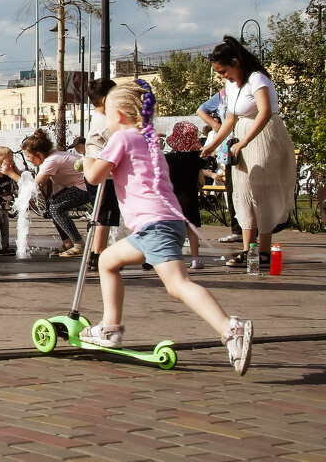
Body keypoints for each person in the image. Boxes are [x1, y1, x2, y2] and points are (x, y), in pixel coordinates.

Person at [82, 80, 253, 376]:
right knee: (108, 260)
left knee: (177, 285)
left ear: (119, 115)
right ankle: (109, 328)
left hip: (154, 226)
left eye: (107, 115)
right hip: (164, 224)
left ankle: (230, 328)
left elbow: (95, 177)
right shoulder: (148, 140)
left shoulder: (121, 139)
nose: (107, 121)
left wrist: (85, 155)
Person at [201, 36, 297, 270]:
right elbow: (230, 118)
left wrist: (244, 141)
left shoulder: (257, 79)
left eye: (224, 71)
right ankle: (248, 249)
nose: (223, 76)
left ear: (236, 62)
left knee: (261, 190)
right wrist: (213, 145)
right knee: (242, 192)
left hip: (264, 137)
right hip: (241, 138)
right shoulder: (231, 86)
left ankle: (263, 250)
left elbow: (264, 113)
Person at [17, 129, 88, 258]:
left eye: (28, 156)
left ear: (39, 154)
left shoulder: (51, 160)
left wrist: (11, 173)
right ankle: (68, 242)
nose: (28, 160)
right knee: (53, 206)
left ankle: (79, 244)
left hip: (88, 187)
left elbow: (34, 187)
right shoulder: (52, 157)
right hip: (81, 185)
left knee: (55, 208)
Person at [84, 79, 121, 272]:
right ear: (106, 100)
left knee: (100, 215)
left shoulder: (97, 119)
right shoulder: (106, 124)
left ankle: (94, 252)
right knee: (104, 217)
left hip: (97, 174)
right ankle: (98, 254)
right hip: (103, 177)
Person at [197, 87, 242, 243]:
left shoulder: (247, 87)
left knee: (248, 187)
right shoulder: (223, 94)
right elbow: (201, 110)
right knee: (231, 188)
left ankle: (254, 228)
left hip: (247, 140)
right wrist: (216, 127)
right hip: (229, 146)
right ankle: (237, 230)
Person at [165, 121, 212, 269]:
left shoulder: (168, 159)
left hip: (172, 199)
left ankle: (172, 258)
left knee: (171, 230)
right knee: (192, 230)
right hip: (190, 199)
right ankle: (196, 259)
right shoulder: (197, 161)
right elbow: (201, 181)